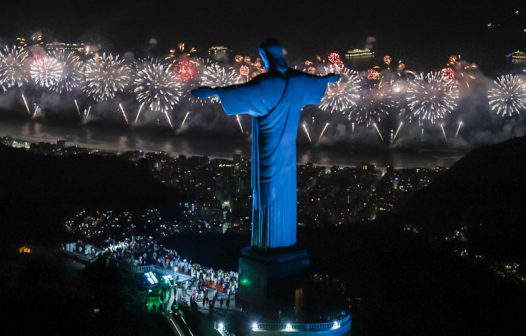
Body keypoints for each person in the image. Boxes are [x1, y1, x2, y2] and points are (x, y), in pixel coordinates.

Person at [192, 40, 338, 250]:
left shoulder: (268, 84)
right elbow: (317, 83)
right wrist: (328, 79)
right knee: (284, 191)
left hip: (268, 148)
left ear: (265, 57)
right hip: (288, 153)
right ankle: (284, 242)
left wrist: (215, 92)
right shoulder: (298, 80)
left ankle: (269, 246)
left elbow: (240, 92)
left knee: (267, 192)